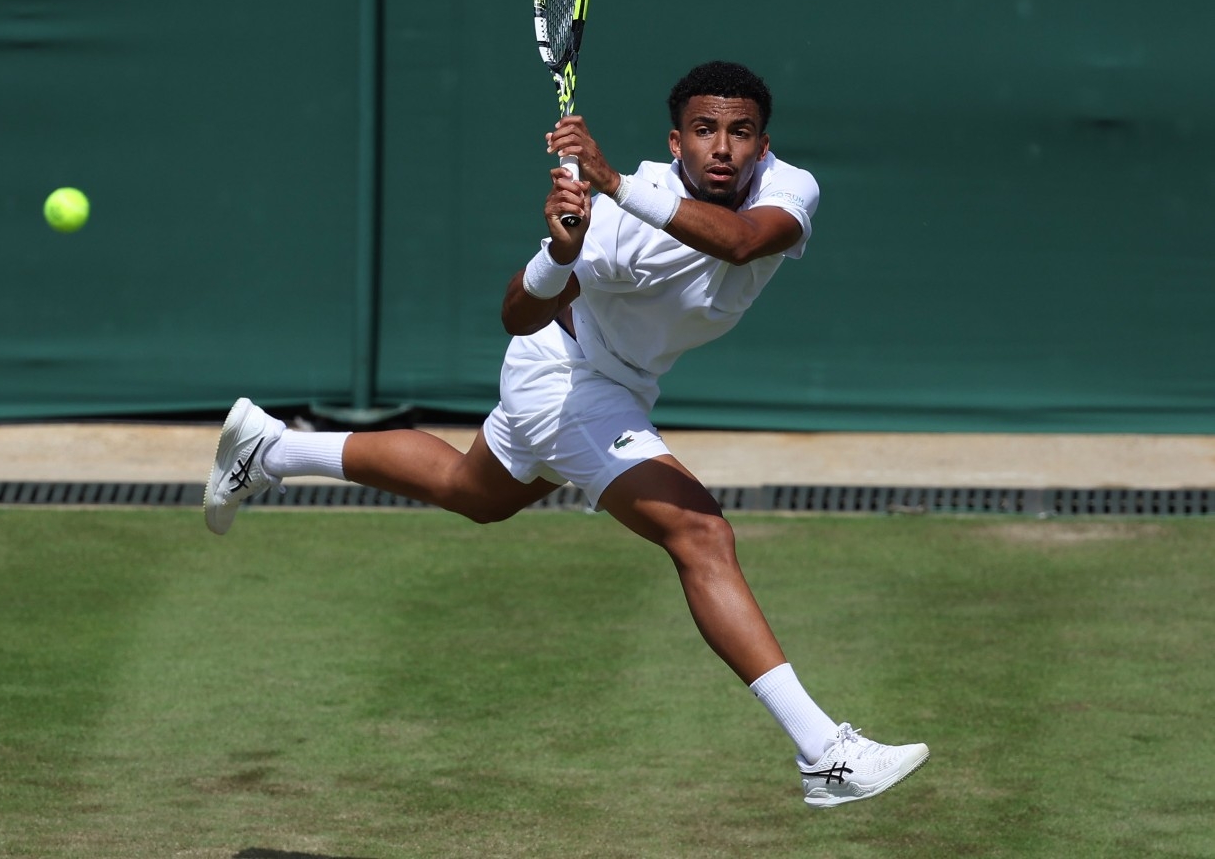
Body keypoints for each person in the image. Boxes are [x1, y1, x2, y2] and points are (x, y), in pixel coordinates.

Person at [201, 61, 928, 809]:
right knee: (702, 536)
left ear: (762, 143)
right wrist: (558, 254)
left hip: (620, 383)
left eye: (739, 133)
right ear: (675, 142)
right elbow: (517, 316)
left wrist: (613, 184)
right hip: (564, 378)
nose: (722, 148)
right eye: (704, 131)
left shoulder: (785, 188)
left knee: (473, 492)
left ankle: (271, 448)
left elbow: (742, 243)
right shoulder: (615, 222)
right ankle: (824, 755)